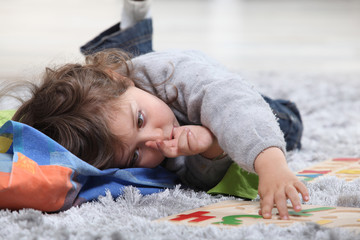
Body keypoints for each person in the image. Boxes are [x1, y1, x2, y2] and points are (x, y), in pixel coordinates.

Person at [10, 0, 309, 220]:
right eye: (136, 155)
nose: (155, 139)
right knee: (129, 73)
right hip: (139, 86)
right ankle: (133, 35)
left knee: (286, 124)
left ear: (120, 79)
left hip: (209, 89)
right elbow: (193, 181)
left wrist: (271, 163)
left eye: (140, 121)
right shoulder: (136, 123)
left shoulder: (175, 73)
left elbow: (232, 102)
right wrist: (210, 150)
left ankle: (131, 39)